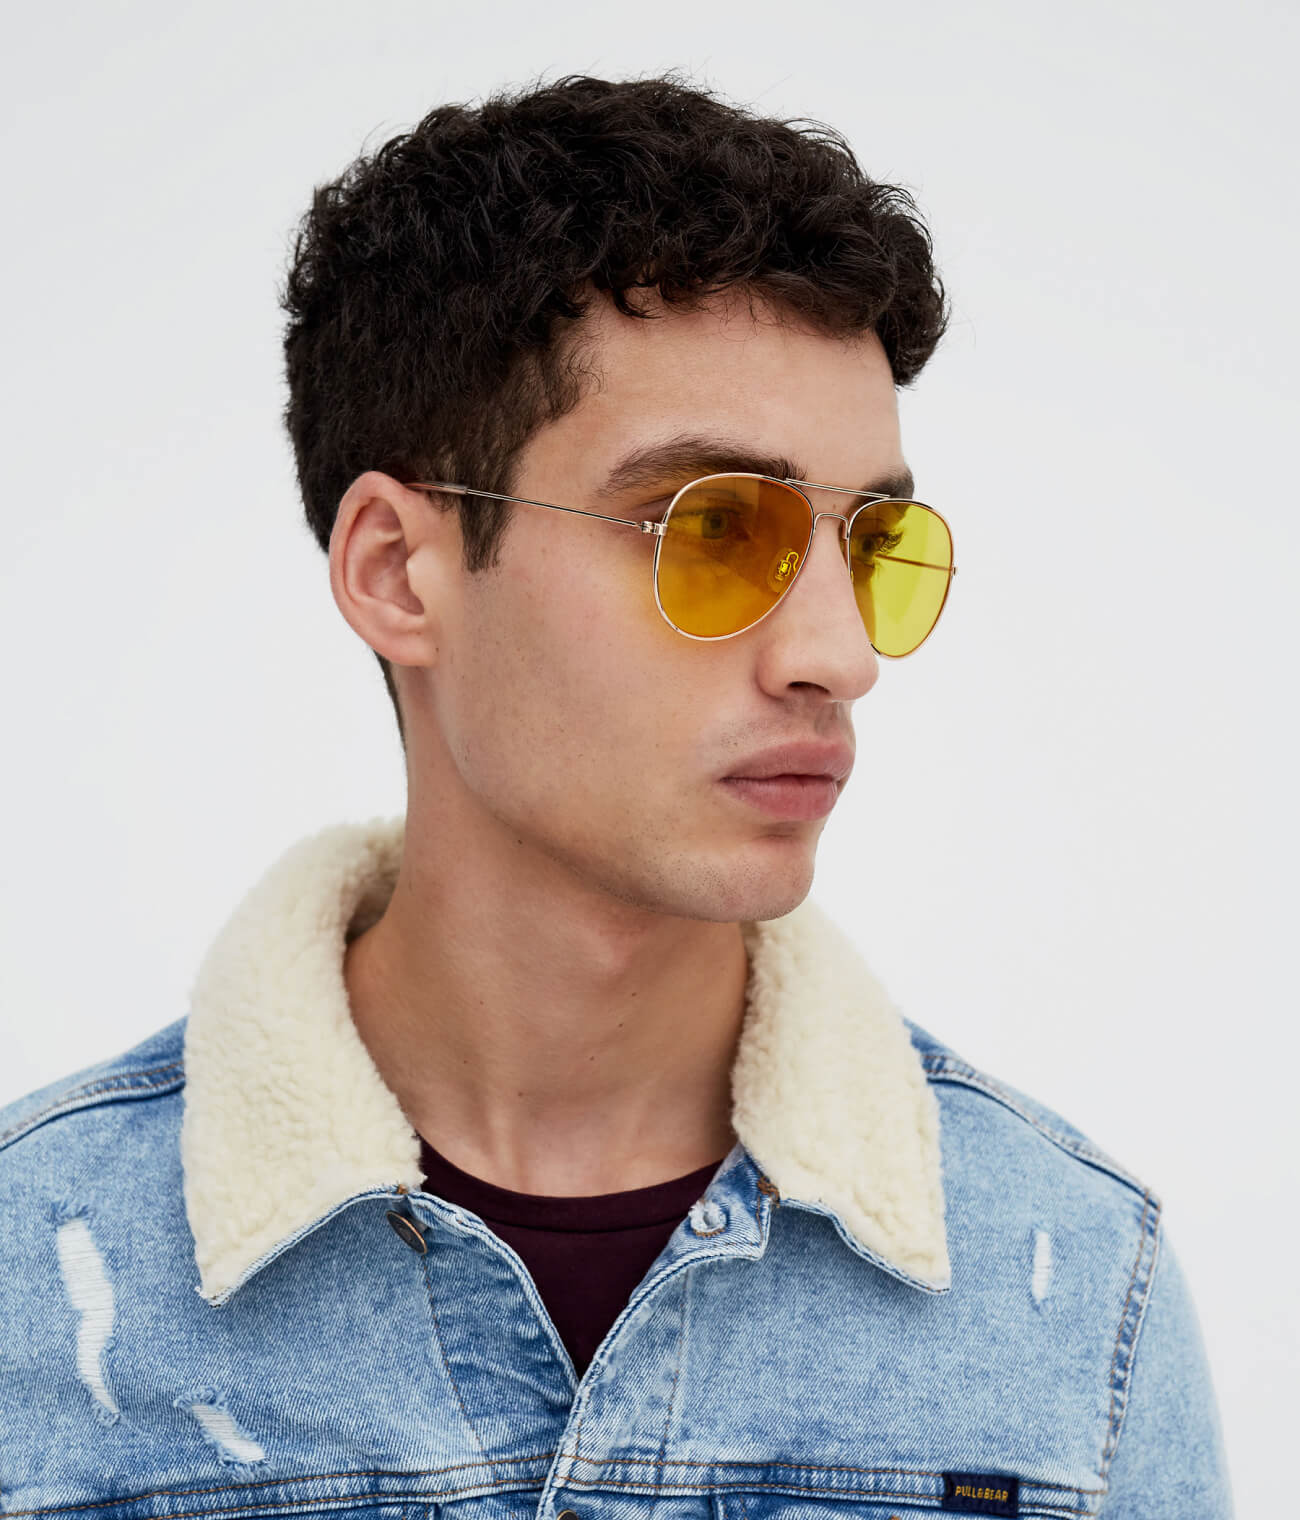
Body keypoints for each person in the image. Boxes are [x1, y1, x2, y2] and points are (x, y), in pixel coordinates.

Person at [0, 73, 1232, 1517]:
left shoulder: (1073, 1295)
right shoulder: (35, 1280)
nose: (838, 654)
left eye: (871, 542)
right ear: (398, 571)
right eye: (712, 529)